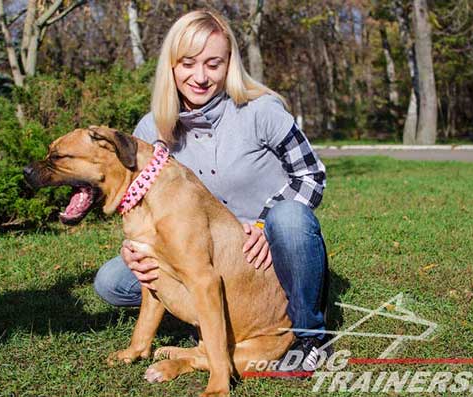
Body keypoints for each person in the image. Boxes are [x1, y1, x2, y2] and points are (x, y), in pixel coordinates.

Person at [93, 9, 330, 371]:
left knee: (291, 218)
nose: (200, 77)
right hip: (196, 253)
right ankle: (211, 320)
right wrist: (134, 250)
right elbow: (136, 203)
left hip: (263, 257)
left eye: (213, 64)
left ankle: (309, 335)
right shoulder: (151, 130)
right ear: (171, 66)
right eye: (187, 63)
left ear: (229, 64)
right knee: (112, 280)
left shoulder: (261, 110)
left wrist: (265, 226)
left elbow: (311, 175)